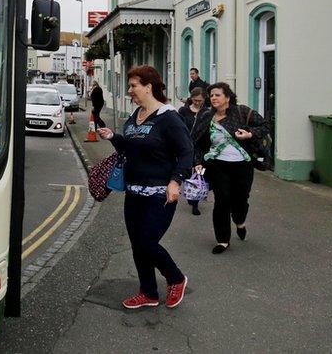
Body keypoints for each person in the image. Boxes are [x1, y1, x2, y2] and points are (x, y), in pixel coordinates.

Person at [97, 65, 193, 310]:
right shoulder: (136, 115)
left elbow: (186, 152)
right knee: (137, 245)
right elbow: (130, 147)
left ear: (148, 87)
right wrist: (113, 137)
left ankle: (176, 278)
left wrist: (175, 181)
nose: (130, 91)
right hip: (134, 192)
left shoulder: (169, 117)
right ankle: (148, 292)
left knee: (147, 243)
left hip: (159, 194)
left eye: (133, 86)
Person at [190, 82, 269, 254]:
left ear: (227, 97)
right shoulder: (206, 116)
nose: (213, 98)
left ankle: (240, 221)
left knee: (241, 199)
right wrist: (197, 162)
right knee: (222, 201)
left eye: (217, 95)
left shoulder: (242, 112)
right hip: (217, 166)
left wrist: (250, 134)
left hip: (243, 165)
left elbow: (265, 125)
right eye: (211, 95)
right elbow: (196, 142)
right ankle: (223, 240)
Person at [177, 87, 209, 215]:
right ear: (191, 98)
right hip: (187, 147)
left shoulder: (207, 112)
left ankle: (195, 202)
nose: (197, 103)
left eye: (200, 100)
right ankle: (190, 192)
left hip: (201, 149)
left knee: (199, 174)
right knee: (187, 173)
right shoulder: (183, 111)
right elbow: (179, 127)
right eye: (195, 100)